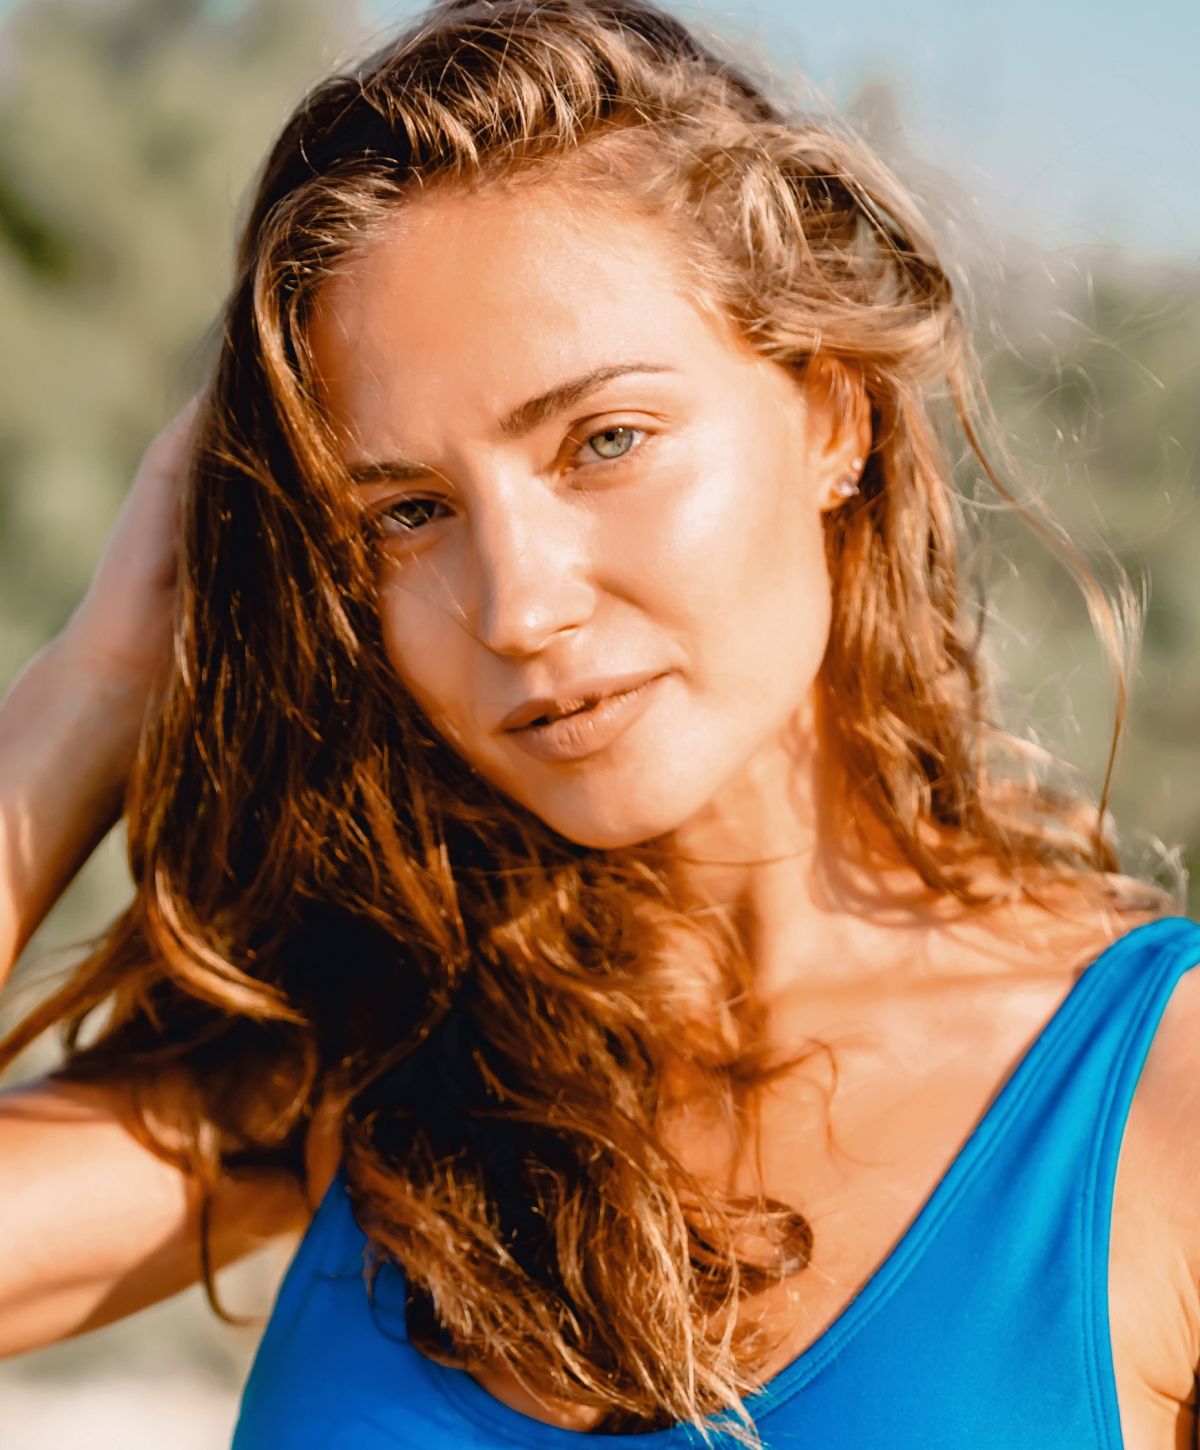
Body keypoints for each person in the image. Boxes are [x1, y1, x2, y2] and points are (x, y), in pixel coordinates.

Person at [0, 0, 1196, 1444]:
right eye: (409, 512)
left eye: (604, 440)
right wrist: (96, 685)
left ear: (835, 415)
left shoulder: (1157, 1101)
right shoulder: (378, 1074)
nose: (515, 606)